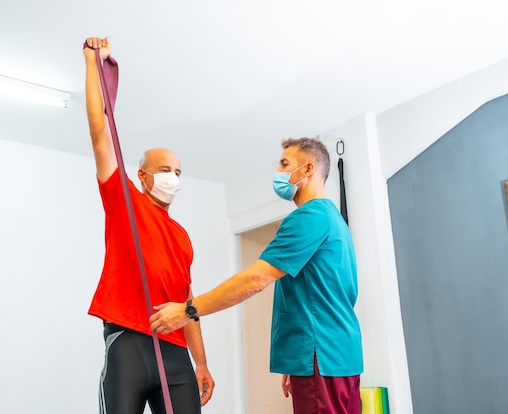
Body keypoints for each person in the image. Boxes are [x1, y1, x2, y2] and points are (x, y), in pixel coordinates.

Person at [150, 137, 363, 414]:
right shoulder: (334, 219)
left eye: (285, 164)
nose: (279, 172)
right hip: (340, 357)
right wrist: (296, 361)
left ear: (308, 169)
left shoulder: (308, 217)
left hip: (320, 357)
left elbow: (256, 279)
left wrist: (187, 310)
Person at [83, 36, 214, 414]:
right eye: (164, 170)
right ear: (142, 175)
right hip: (129, 343)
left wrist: (200, 362)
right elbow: (100, 134)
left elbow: (188, 303)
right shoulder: (125, 202)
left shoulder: (182, 237)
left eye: (177, 171)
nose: (173, 177)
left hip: (176, 356)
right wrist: (93, 64)